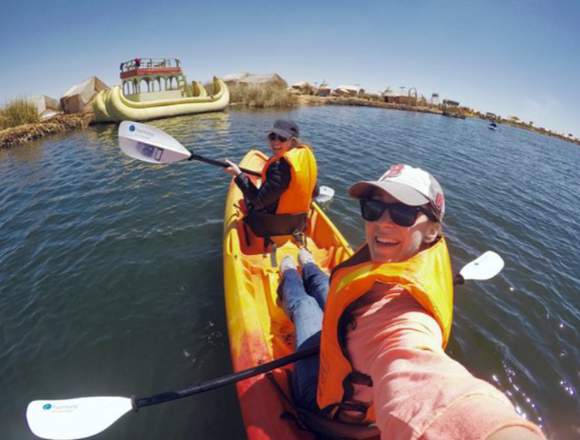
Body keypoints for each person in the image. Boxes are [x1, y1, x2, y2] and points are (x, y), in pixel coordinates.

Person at [278, 164, 545, 440]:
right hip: (345, 324)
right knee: (326, 284)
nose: (382, 222)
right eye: (372, 207)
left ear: (432, 230)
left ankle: (288, 271)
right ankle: (307, 262)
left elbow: (423, 382)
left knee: (305, 307)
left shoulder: (399, 320)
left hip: (331, 408)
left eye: (403, 213)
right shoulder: (407, 252)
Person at [224, 120, 318, 240]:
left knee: (246, 199)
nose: (275, 142)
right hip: (299, 225)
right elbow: (315, 193)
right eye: (272, 136)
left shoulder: (280, 167)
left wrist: (238, 175)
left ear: (292, 141)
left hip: (271, 227)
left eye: (282, 138)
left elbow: (258, 202)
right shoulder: (304, 158)